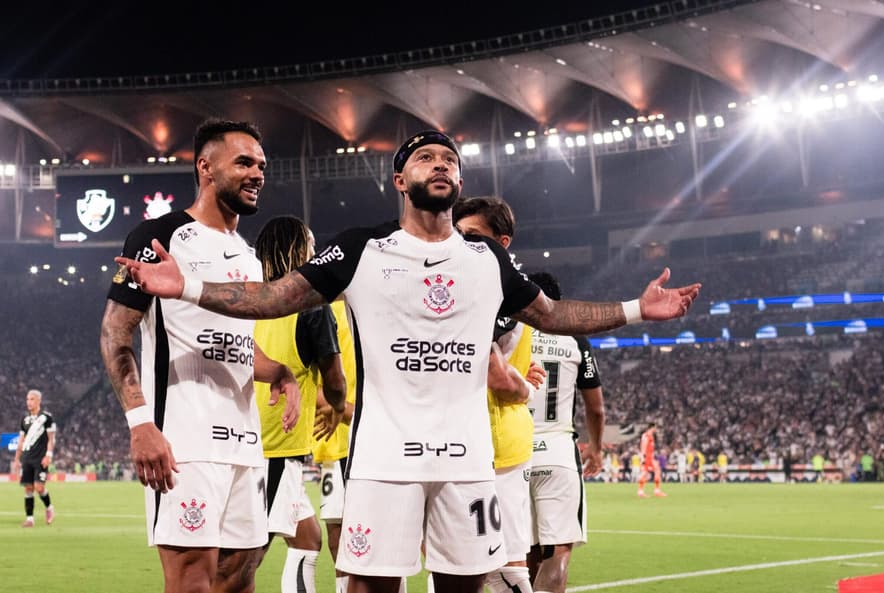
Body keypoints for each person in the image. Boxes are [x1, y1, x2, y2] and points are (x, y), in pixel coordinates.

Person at [114, 128, 701, 593]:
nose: (440, 165)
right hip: (382, 463)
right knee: (369, 586)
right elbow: (275, 297)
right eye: (425, 158)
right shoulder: (361, 248)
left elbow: (551, 314)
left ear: (459, 180)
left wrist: (635, 309)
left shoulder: (486, 258)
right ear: (400, 179)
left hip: (468, 463)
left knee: (466, 586)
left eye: (449, 160)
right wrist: (187, 286)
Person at [99, 119, 302, 593]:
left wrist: (279, 371)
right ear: (206, 167)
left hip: (245, 443)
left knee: (240, 577)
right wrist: (140, 424)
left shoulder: (247, 256)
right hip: (185, 443)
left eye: (262, 166)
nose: (257, 174)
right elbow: (114, 333)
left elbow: (235, 344)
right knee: (192, 580)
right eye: (244, 163)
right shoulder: (160, 237)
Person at [253, 216, 347, 593]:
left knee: (307, 538)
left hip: (253, 437)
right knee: (244, 559)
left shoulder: (249, 298)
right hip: (277, 445)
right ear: (299, 250)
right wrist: (337, 405)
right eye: (310, 244)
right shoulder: (310, 306)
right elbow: (335, 379)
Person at [453, 196, 541, 593]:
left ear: (502, 243)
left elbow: (497, 375)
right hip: (490, 440)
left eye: (473, 235)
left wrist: (523, 387)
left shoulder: (499, 292)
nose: (462, 242)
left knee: (502, 565)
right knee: (465, 561)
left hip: (492, 443)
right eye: (458, 233)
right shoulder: (516, 290)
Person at [523, 272, 605, 593]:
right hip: (558, 452)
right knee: (556, 553)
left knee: (526, 553)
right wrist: (596, 448)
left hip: (515, 454)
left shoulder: (512, 333)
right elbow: (596, 409)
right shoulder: (575, 339)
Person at [312, 298, 358, 593]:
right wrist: (345, 408)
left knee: (383, 535)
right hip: (335, 442)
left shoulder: (373, 311)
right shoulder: (320, 313)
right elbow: (301, 379)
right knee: (338, 534)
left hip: (372, 441)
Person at [12, 389, 56, 527]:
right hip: (27, 458)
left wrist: (48, 455)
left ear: (38, 401)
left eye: (32, 399)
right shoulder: (24, 420)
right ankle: (30, 519)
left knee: (39, 487)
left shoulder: (46, 418)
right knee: (28, 488)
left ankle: (49, 507)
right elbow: (21, 440)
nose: (28, 402)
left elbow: (51, 439)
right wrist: (17, 459)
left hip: (40, 458)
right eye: (27, 399)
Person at [637, 423, 666, 498]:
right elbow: (643, 447)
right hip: (647, 457)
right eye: (655, 428)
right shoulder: (646, 436)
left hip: (650, 457)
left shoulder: (651, 436)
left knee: (657, 470)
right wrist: (643, 458)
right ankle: (641, 491)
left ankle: (656, 491)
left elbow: (650, 448)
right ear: (652, 427)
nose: (656, 429)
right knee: (645, 474)